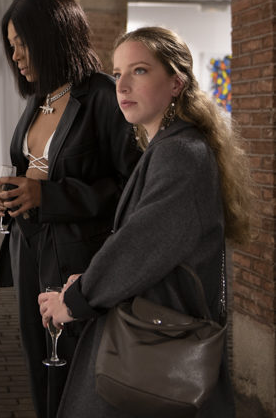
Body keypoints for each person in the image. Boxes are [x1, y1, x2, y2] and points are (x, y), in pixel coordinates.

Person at [38, 26, 252, 418]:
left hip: (157, 343)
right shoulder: (169, 146)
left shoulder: (181, 153)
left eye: (139, 71)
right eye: (118, 73)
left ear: (176, 83)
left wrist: (75, 299)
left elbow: (140, 245)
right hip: (150, 331)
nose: (121, 86)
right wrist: (89, 281)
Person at [0, 0, 140, 418]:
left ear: (54, 37)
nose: (15, 56)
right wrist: (4, 193)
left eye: (23, 43)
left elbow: (132, 187)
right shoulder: (38, 99)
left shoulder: (104, 97)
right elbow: (29, 171)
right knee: (39, 360)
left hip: (77, 255)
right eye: (11, 46)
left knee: (76, 365)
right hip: (28, 247)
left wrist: (48, 195)